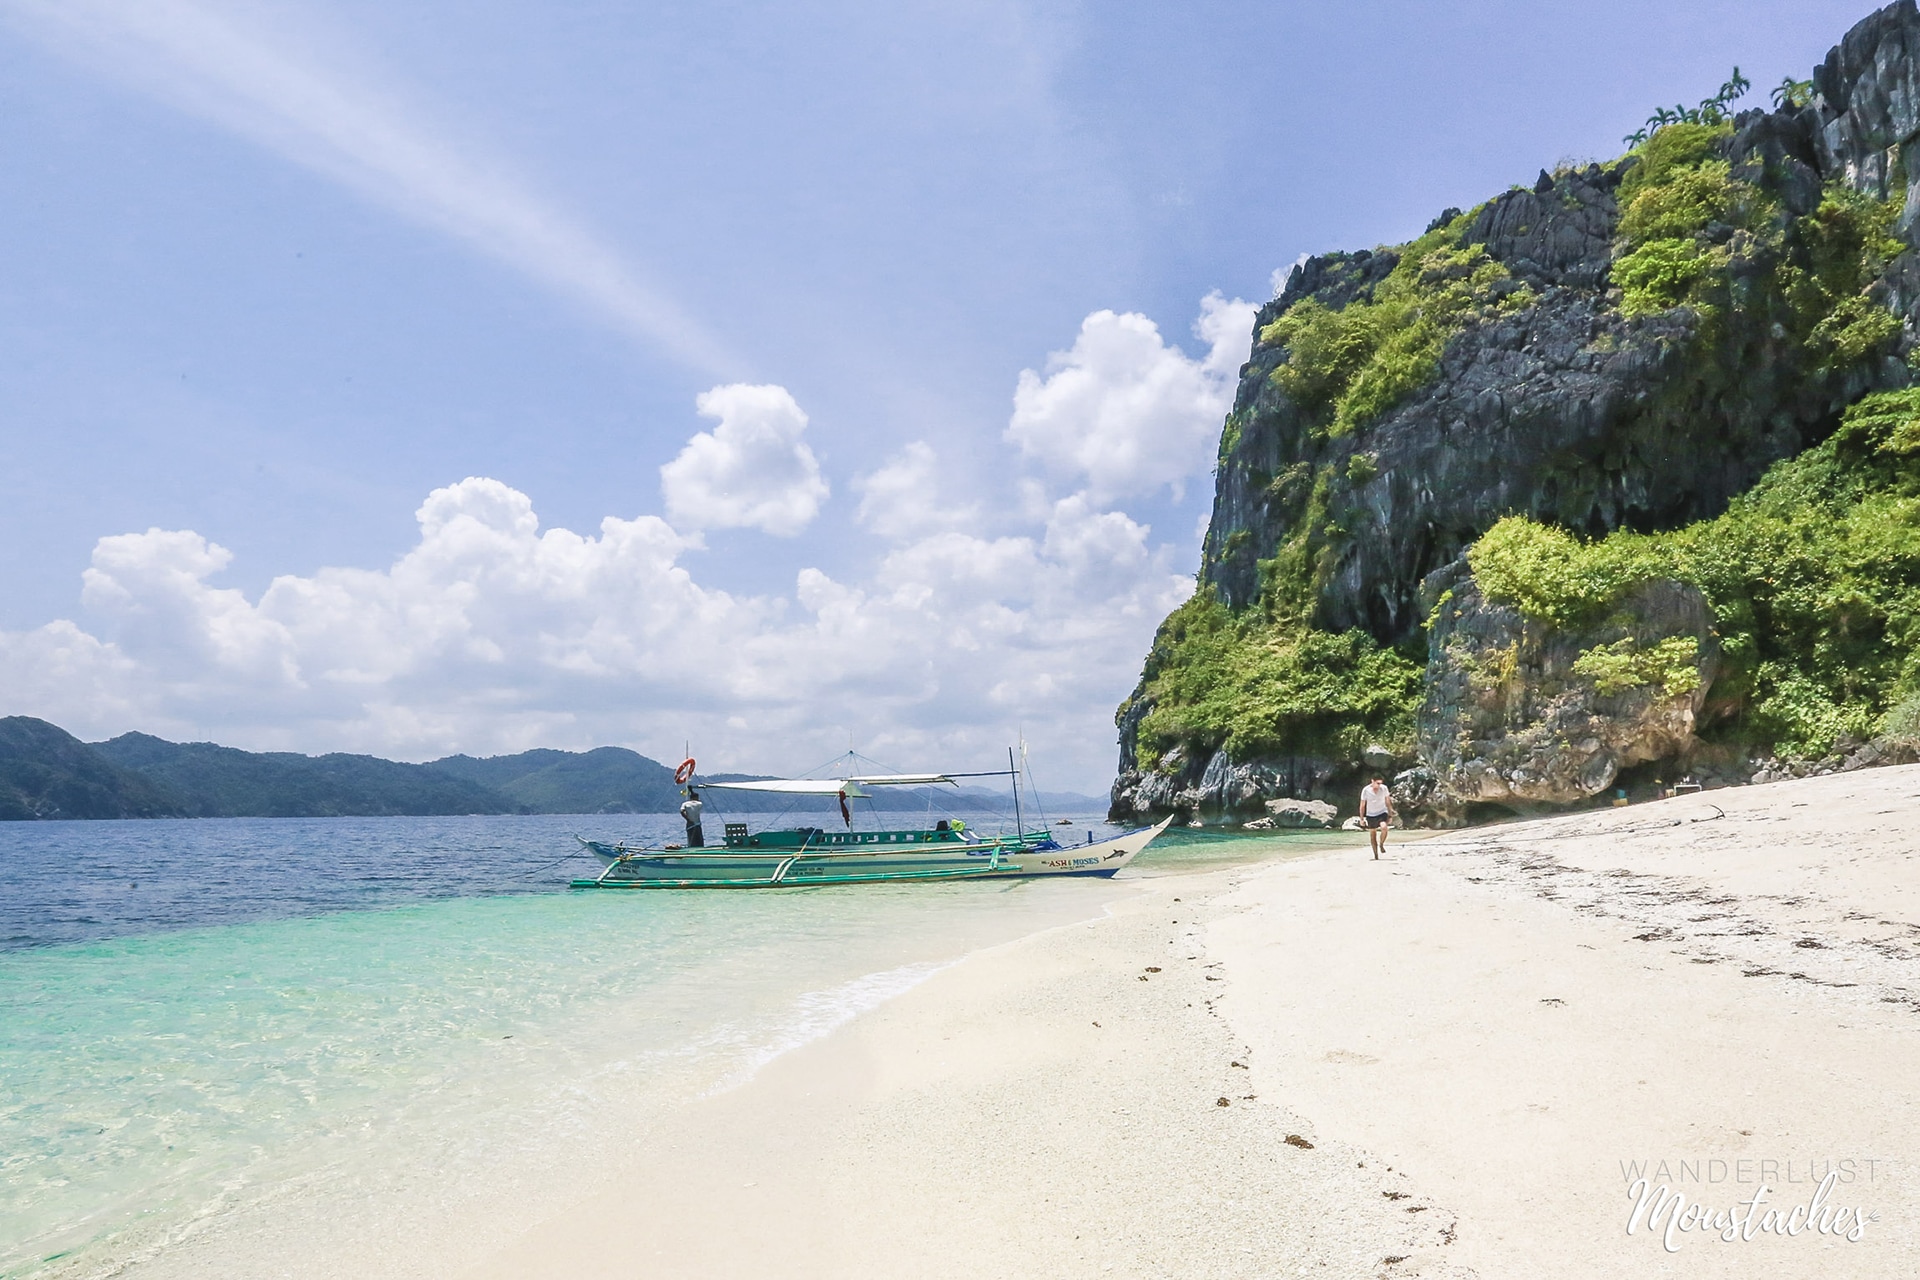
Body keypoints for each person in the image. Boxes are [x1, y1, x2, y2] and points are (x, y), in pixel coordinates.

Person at [1359, 775, 1394, 859]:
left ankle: (1381, 844)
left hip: (1382, 812)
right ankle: (1376, 855)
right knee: (1372, 834)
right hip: (1370, 814)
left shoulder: (1384, 788)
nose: (1379, 785)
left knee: (1384, 827)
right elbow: (1362, 805)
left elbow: (1388, 802)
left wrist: (1390, 814)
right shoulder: (1366, 790)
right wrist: (1361, 819)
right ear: (1372, 781)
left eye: (1380, 783)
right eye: (1377, 783)